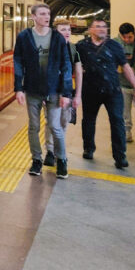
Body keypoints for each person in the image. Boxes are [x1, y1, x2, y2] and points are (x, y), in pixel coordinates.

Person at [13, 3, 73, 179]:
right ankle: (36, 160)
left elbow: (66, 65)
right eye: (42, 14)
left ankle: (61, 160)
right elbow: (18, 62)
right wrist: (18, 88)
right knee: (34, 126)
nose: (47, 17)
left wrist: (66, 92)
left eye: (48, 14)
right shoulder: (24, 36)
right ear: (33, 17)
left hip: (54, 89)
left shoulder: (57, 38)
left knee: (55, 126)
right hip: (32, 89)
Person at [76, 19, 135, 169]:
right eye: (98, 27)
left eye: (104, 27)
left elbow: (126, 67)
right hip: (90, 91)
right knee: (89, 120)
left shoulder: (114, 46)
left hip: (112, 91)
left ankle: (120, 157)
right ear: (90, 29)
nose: (102, 29)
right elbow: (74, 66)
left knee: (117, 121)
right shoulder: (81, 46)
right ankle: (89, 148)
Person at [44, 19, 82, 166]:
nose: (67, 33)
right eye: (63, 30)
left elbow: (79, 73)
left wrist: (77, 95)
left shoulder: (73, 50)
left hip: (66, 92)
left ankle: (59, 149)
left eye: (68, 30)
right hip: (50, 91)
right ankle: (50, 151)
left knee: (64, 121)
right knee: (51, 122)